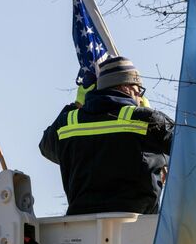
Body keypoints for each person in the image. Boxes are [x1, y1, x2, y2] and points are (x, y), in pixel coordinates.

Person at [40, 56, 174, 215]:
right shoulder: (147, 120)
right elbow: (188, 144)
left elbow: (46, 147)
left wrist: (76, 106)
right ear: (129, 87)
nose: (140, 97)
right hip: (139, 229)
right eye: (140, 91)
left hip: (82, 227)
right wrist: (151, 116)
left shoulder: (67, 123)